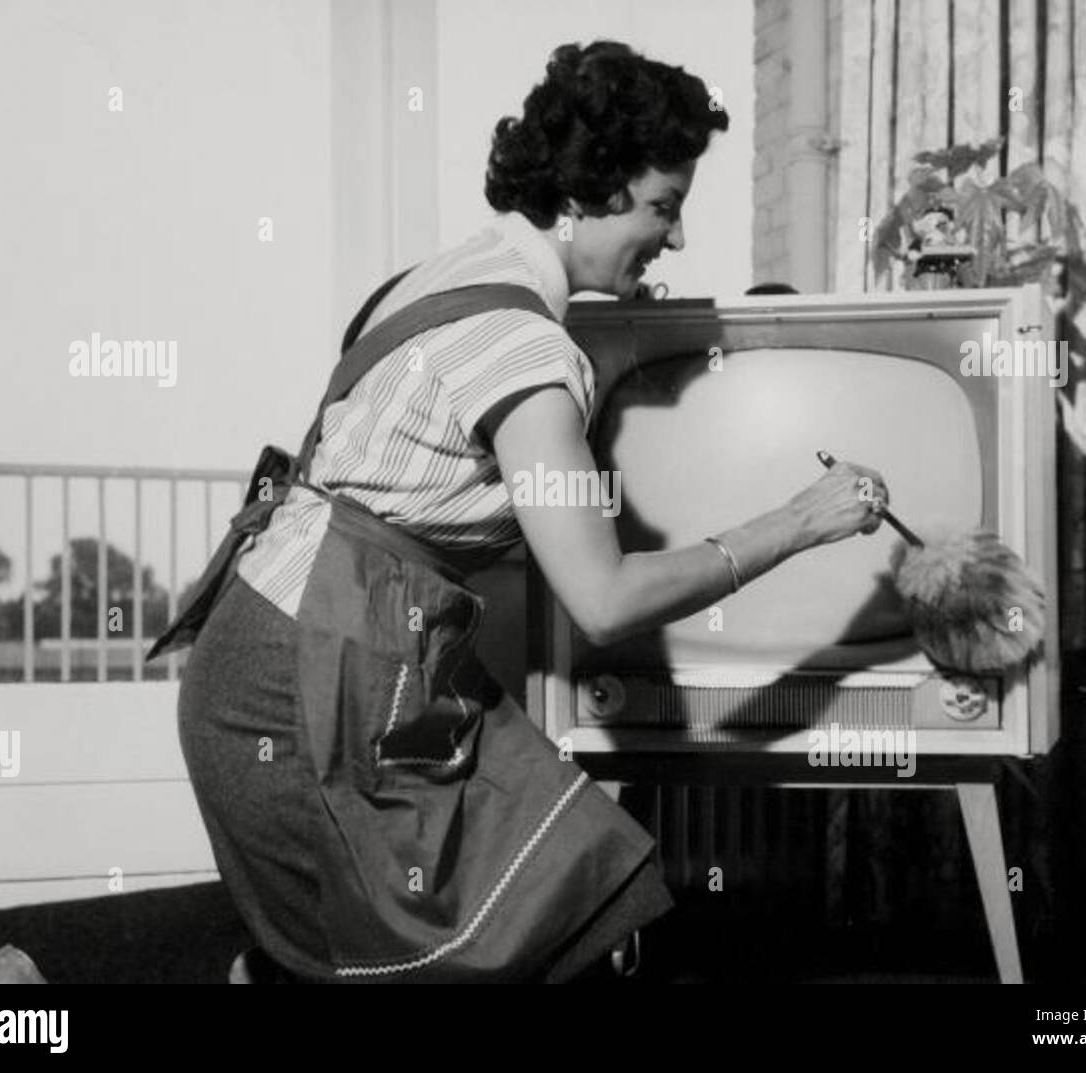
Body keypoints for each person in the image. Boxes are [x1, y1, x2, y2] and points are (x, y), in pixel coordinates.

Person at [176, 39, 888, 984]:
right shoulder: (526, 350)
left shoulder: (439, 280)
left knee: (546, 900)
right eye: (663, 206)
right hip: (306, 685)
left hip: (269, 653)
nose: (674, 239)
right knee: (537, 924)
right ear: (588, 194)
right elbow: (603, 598)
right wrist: (801, 520)